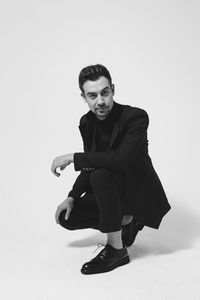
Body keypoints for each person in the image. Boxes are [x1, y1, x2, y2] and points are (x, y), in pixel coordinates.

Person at [51, 64, 171, 275]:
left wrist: (72, 157)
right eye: (92, 95)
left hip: (137, 192)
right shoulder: (87, 122)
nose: (100, 101)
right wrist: (71, 196)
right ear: (84, 97)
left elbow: (120, 159)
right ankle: (125, 222)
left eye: (105, 93)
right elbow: (90, 163)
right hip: (111, 194)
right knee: (67, 217)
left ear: (113, 89)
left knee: (102, 174)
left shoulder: (136, 117)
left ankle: (117, 249)